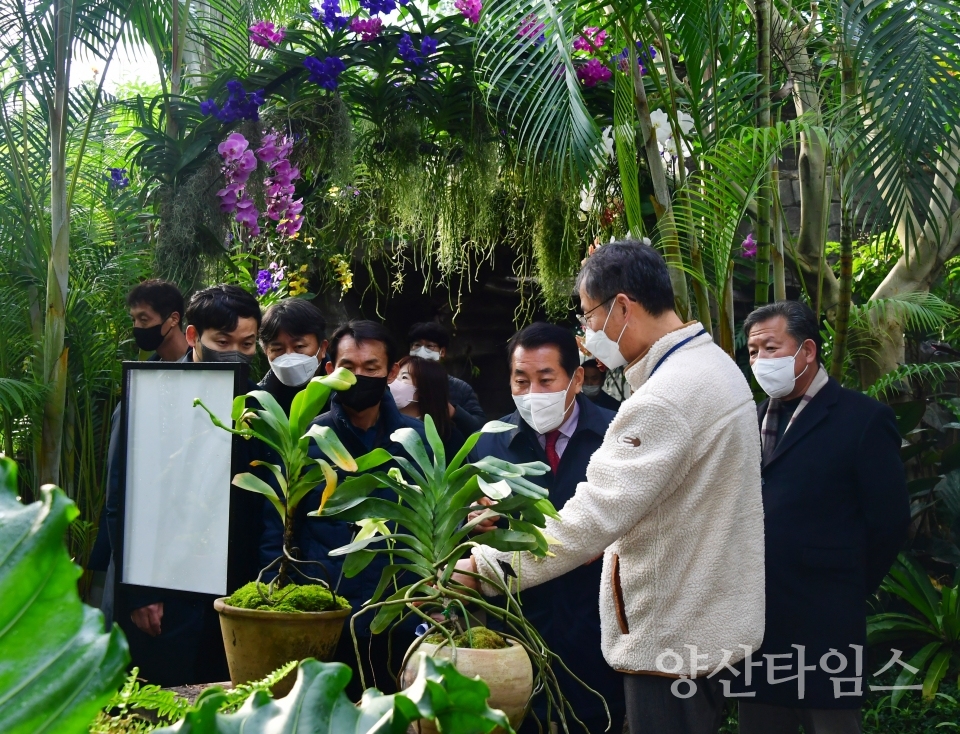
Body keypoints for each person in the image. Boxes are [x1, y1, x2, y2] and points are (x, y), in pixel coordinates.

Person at [456, 240, 766, 734]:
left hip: (669, 634)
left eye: (588, 316)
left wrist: (485, 568)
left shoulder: (664, 399)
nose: (587, 333)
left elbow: (590, 520)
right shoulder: (717, 366)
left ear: (622, 306)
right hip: (705, 620)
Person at [737, 301, 909, 733]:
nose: (759, 360)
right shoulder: (750, 421)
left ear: (808, 351)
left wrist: (847, 579)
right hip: (758, 628)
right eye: (753, 352)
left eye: (770, 348)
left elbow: (889, 522)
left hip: (826, 623)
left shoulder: (863, 419)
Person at [259, 319, 428, 697]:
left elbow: (426, 524)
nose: (359, 377)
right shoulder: (308, 438)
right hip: (323, 619)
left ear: (392, 371)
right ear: (330, 368)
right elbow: (278, 530)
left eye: (372, 368)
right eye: (349, 367)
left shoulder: (413, 440)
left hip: (394, 619)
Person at [470, 322, 625, 734]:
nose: (532, 393)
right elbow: (474, 520)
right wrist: (478, 521)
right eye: (521, 380)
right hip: (521, 624)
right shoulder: (491, 441)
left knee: (596, 720)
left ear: (576, 378)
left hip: (596, 621)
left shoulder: (615, 433)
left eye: (545, 379)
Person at [108, 284, 262, 686]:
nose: (236, 352)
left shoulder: (259, 409)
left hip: (236, 592)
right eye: (223, 340)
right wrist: (140, 591)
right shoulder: (150, 397)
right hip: (167, 594)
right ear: (193, 337)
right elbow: (121, 500)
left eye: (247, 343)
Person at [91, 280, 190, 620]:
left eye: (144, 319)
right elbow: (121, 486)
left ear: (173, 319)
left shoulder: (208, 378)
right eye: (134, 320)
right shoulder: (142, 385)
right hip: (142, 563)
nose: (137, 328)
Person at [408, 321, 486, 434]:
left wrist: (454, 412)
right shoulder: (398, 383)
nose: (422, 351)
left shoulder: (460, 388)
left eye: (429, 346)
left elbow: (480, 427)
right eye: (417, 345)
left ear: (442, 352)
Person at [258, 298, 329, 413]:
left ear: (322, 348)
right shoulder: (258, 403)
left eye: (299, 346)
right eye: (278, 349)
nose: (289, 356)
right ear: (266, 351)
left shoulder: (342, 395)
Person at [390, 355, 466, 457]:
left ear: (425, 389)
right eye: (394, 375)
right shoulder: (379, 423)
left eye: (404, 377)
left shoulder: (450, 437)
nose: (394, 381)